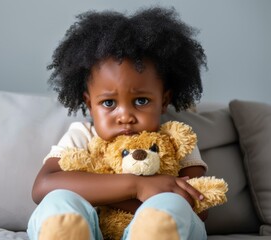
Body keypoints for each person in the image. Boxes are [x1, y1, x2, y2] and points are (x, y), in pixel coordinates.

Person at [27, 6, 208, 240]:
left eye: (141, 100)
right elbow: (43, 186)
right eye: (109, 103)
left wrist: (153, 201)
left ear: (164, 101)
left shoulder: (177, 138)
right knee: (58, 201)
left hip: (163, 230)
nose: (125, 116)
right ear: (89, 103)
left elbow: (198, 207)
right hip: (92, 231)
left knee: (172, 205)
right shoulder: (82, 135)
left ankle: (155, 228)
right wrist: (138, 187)